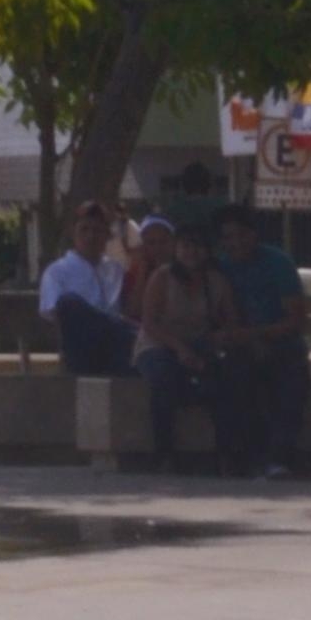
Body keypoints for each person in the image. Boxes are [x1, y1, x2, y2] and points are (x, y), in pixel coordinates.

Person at [132, 220, 249, 470]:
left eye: (197, 247)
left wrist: (220, 338)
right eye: (185, 246)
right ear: (177, 249)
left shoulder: (217, 281)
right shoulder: (162, 277)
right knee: (164, 378)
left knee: (229, 376)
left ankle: (226, 454)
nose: (191, 253)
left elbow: (232, 322)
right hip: (159, 345)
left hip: (201, 344)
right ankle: (164, 453)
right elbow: (150, 323)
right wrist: (180, 349)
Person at [213, 205, 309, 477]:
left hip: (283, 344)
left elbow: (296, 321)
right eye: (228, 238)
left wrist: (258, 336)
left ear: (255, 235)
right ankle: (246, 459)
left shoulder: (278, 263)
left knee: (291, 379)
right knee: (235, 379)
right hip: (241, 348)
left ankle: (279, 459)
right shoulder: (221, 267)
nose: (237, 243)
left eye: (242, 235)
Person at [36, 199, 138, 380]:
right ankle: (125, 332)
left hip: (116, 349)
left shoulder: (115, 269)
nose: (91, 237)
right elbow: (58, 316)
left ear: (107, 235)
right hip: (81, 350)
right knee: (69, 303)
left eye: (97, 230)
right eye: (84, 230)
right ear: (73, 233)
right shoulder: (57, 271)